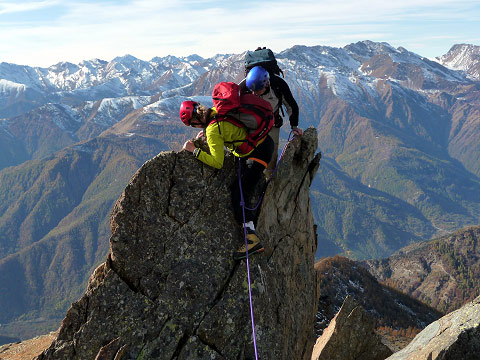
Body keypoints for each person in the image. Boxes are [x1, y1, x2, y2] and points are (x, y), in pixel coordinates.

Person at [179, 100, 274, 260]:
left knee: (238, 193)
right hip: (263, 142)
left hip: (258, 153)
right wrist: (208, 134)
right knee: (243, 184)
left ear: (195, 121)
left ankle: (252, 239)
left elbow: (217, 163)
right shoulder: (216, 110)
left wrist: (194, 151)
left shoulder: (212, 130)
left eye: (191, 124)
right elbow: (228, 128)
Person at [240, 66, 302, 178]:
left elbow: (291, 105)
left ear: (267, 84)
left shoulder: (278, 85)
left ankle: (268, 182)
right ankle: (250, 180)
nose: (254, 94)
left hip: (272, 124)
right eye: (252, 91)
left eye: (258, 90)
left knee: (271, 156)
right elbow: (228, 107)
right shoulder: (244, 86)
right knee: (248, 154)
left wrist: (294, 126)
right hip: (251, 125)